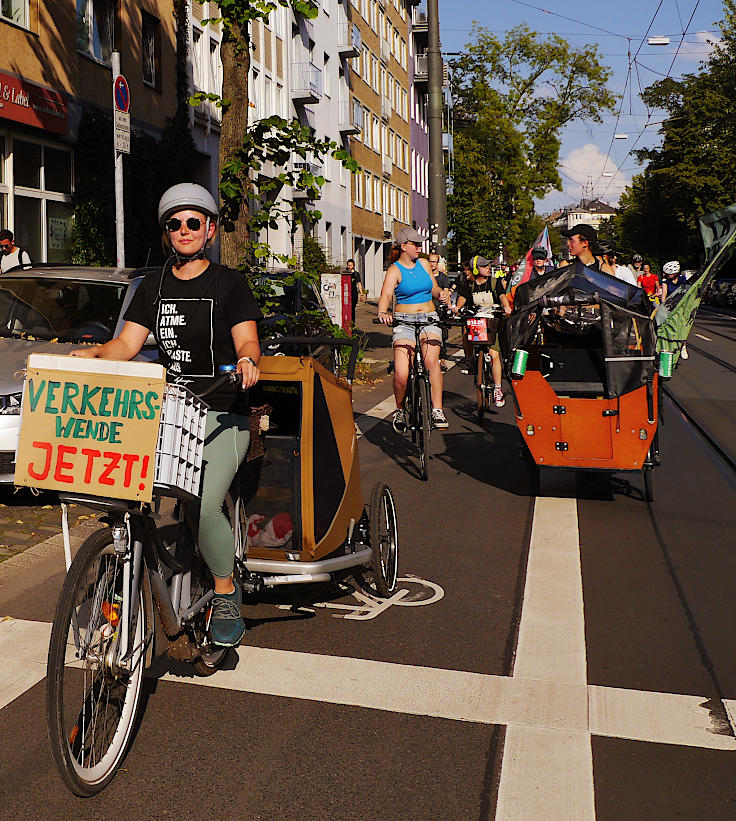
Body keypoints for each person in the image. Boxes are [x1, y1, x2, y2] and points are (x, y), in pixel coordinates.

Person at [73, 183, 262, 648]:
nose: (183, 230)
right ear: (166, 234)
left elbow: (247, 339)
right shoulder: (153, 285)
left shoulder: (229, 284)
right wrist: (96, 354)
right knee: (121, 494)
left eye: (193, 222)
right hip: (170, 411)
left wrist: (247, 361)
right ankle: (120, 585)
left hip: (222, 413)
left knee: (203, 500)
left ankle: (224, 591)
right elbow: (126, 345)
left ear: (211, 230)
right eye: (174, 223)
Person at [377, 226, 451, 431]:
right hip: (404, 322)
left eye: (420, 244)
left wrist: (440, 294)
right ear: (403, 246)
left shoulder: (425, 264)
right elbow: (386, 295)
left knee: (431, 362)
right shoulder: (394, 269)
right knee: (401, 373)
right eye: (416, 244)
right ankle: (400, 409)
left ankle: (437, 409)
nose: (420, 247)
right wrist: (383, 312)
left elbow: (434, 287)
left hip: (429, 318)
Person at [455, 255, 511, 407]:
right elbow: (462, 298)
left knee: (494, 355)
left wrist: (506, 307)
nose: (488, 268)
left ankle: (498, 389)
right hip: (476, 321)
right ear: (476, 269)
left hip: (492, 321)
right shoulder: (469, 285)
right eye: (485, 266)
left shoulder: (495, 282)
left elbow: (502, 296)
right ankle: (470, 360)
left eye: (488, 266)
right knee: (466, 331)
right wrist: (457, 308)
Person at [662, 260, 689, 359]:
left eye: (669, 274)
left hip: (681, 307)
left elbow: (686, 292)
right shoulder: (665, 282)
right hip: (670, 307)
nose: (666, 275)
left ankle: (683, 346)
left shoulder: (683, 280)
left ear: (675, 274)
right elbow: (664, 296)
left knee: (682, 327)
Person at [346, 258, 364, 324]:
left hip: (354, 293)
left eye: (350, 265)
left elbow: (359, 283)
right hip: (346, 293)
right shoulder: (345, 273)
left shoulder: (356, 274)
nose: (349, 267)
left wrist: (361, 294)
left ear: (353, 265)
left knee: (352, 308)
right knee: (347, 308)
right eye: (348, 265)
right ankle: (347, 321)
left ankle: (352, 323)